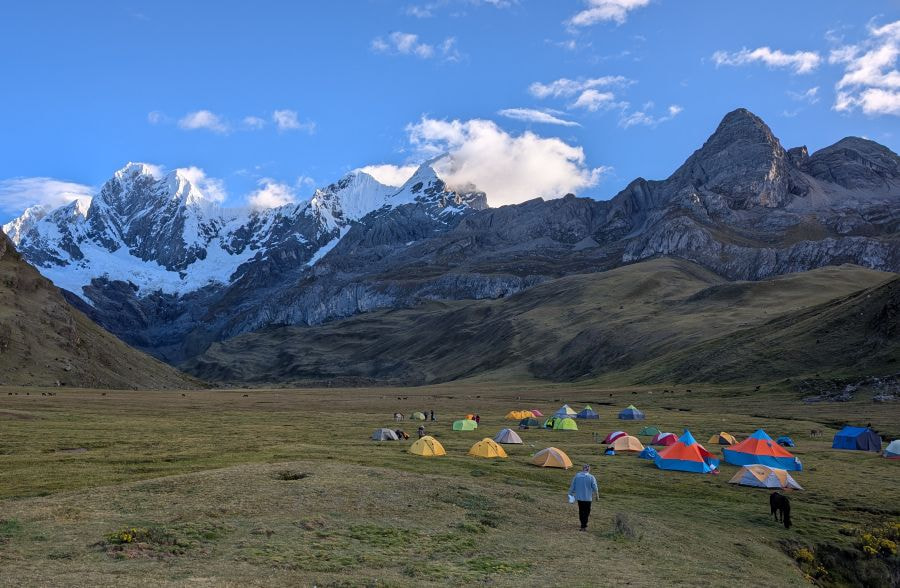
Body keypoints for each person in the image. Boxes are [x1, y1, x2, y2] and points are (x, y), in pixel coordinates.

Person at [568, 464, 599, 531]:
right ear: (588, 469)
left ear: (583, 469)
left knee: (581, 511)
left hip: (579, 497)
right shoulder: (591, 477)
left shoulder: (577, 476)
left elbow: (573, 485)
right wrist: (597, 496)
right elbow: (595, 487)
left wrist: (570, 493)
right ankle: (584, 525)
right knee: (587, 512)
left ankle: (583, 524)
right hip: (588, 498)